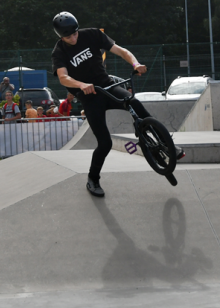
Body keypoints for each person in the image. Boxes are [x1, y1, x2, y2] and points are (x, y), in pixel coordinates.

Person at [51, 11, 183, 198]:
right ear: (60, 36)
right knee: (105, 143)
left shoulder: (92, 34)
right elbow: (63, 77)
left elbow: (121, 51)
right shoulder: (59, 52)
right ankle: (93, 179)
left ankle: (165, 144)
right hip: (89, 97)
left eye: (75, 33)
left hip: (107, 86)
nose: (73, 38)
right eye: (68, 36)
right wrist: (81, 85)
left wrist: (135, 64)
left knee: (134, 102)